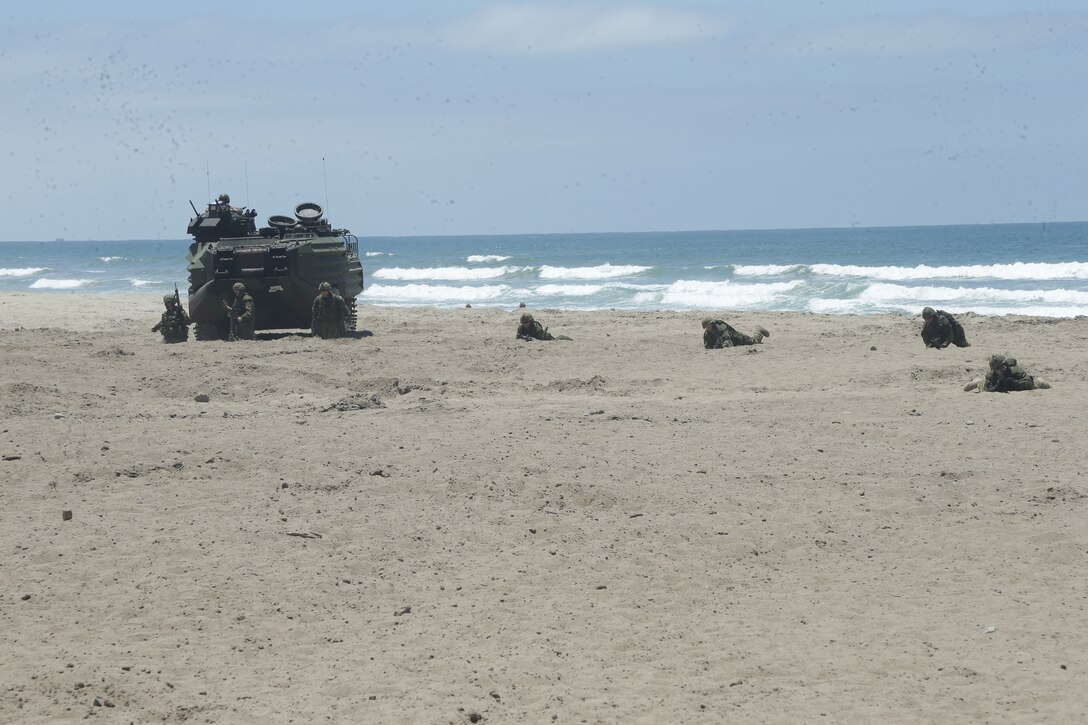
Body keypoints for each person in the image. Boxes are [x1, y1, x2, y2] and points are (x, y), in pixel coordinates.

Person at [964, 354, 1050, 392]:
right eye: (998, 368)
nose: (1001, 370)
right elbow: (987, 388)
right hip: (995, 384)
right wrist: (997, 387)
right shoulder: (991, 375)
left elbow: (1029, 383)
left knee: (1038, 383)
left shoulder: (1014, 370)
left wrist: (1014, 382)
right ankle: (976, 381)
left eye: (1003, 367)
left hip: (1018, 382)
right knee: (979, 384)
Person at [701, 317, 769, 349]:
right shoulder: (707, 335)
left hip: (737, 337)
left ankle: (759, 331)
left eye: (709, 325)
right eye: (706, 327)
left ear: (712, 324)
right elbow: (707, 347)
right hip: (733, 342)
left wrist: (721, 345)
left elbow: (727, 339)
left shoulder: (721, 327)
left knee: (754, 341)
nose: (708, 328)